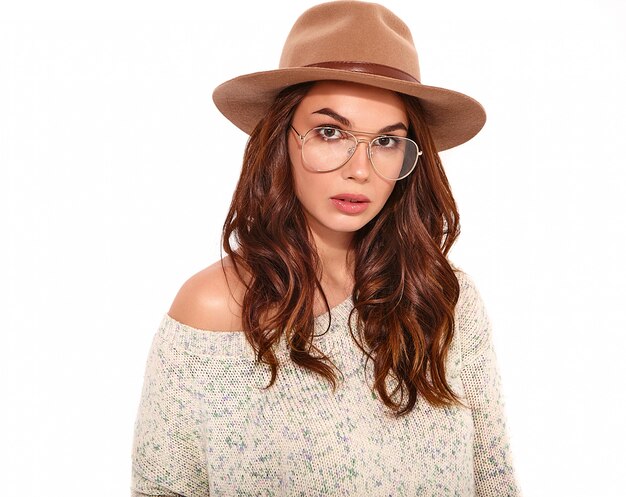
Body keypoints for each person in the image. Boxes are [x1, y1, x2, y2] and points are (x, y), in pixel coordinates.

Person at [130, 1, 521, 496]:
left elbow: (494, 481)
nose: (360, 168)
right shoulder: (212, 310)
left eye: (385, 141)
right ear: (281, 140)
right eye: (330, 132)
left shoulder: (444, 297)